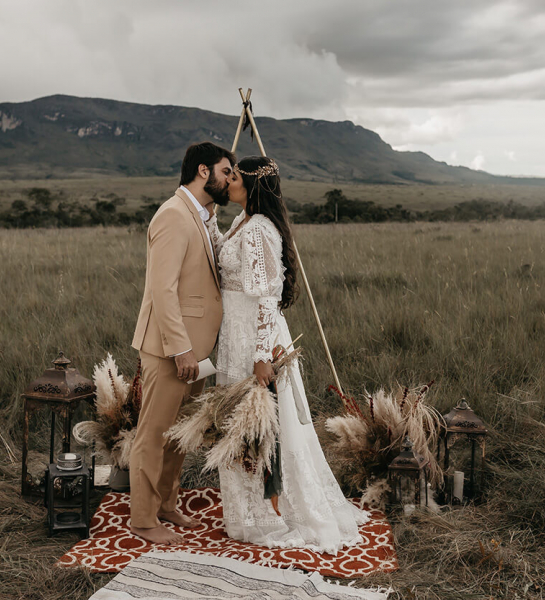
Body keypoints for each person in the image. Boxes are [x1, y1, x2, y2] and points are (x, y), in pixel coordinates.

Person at [206, 156, 367, 553]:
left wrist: (262, 355)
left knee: (261, 424)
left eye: (236, 177)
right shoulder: (241, 221)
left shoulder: (259, 228)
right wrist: (208, 217)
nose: (229, 182)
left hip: (252, 338)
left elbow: (266, 296)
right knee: (240, 424)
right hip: (234, 333)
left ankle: (272, 514)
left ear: (252, 186)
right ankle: (245, 513)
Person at [129, 142, 235, 545]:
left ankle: (167, 503)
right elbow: (162, 289)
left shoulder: (203, 216)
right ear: (204, 171)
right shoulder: (173, 215)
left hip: (197, 350)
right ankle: (142, 520)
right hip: (170, 350)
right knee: (154, 434)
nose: (230, 179)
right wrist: (180, 349)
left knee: (180, 435)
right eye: (227, 171)